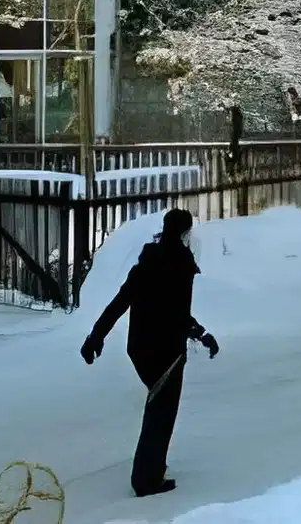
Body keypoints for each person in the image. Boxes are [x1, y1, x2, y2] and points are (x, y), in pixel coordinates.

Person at [81, 208, 219, 499]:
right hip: (166, 350)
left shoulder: (146, 263)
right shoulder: (180, 265)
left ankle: (152, 468)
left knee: (158, 407)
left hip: (140, 348)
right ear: (184, 234)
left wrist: (96, 336)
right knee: (161, 413)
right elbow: (178, 314)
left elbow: (121, 301)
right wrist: (202, 334)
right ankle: (146, 479)